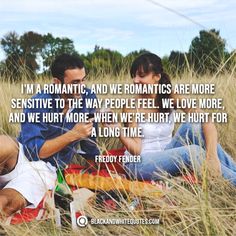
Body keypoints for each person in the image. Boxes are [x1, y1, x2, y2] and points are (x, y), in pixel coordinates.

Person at [105, 52, 236, 185]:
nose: (135, 80)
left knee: (194, 125)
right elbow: (136, 150)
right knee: (193, 152)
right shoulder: (131, 106)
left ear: (157, 77)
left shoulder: (170, 96)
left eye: (141, 75)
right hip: (140, 164)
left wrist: (212, 156)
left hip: (167, 153)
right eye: (134, 76)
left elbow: (206, 119)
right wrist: (117, 130)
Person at [0, 54, 99, 216]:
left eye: (83, 80)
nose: (81, 87)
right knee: (3, 144)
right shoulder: (39, 102)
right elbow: (34, 151)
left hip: (46, 170)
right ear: (57, 83)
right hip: (22, 155)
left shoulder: (88, 98)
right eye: (75, 83)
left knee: (6, 203)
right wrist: (73, 134)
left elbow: (90, 144)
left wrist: (96, 170)